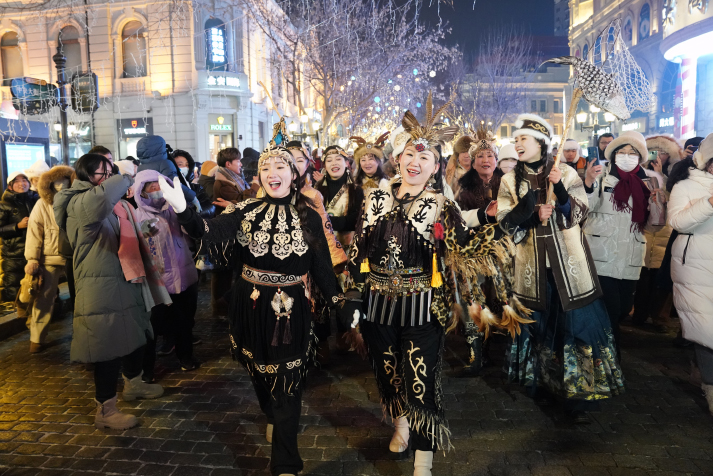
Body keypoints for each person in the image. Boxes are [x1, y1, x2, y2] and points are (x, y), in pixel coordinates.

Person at [344, 95, 527, 476]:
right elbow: (359, 248)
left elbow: (466, 245)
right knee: (388, 368)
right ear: (398, 159)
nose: (415, 162)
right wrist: (352, 297)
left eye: (424, 158)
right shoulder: (375, 198)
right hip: (378, 303)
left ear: (436, 166)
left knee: (420, 376)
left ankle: (424, 457)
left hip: (423, 304)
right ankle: (400, 424)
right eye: (410, 155)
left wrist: (508, 222)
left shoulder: (441, 206)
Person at [159, 142, 342, 476]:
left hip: (290, 308)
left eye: (281, 168)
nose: (273, 174)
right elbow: (209, 231)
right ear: (259, 175)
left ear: (294, 174)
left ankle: (285, 464)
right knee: (258, 370)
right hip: (250, 304)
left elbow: (322, 268)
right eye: (267, 169)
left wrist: (339, 303)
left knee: (287, 381)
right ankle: (271, 414)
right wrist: (184, 210)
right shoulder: (244, 211)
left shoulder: (310, 217)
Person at [500, 114, 623, 424]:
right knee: (540, 326)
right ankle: (543, 383)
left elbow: (580, 211)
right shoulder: (508, 180)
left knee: (574, 326)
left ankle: (578, 396)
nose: (518, 143)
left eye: (523, 139)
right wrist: (530, 213)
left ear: (541, 143)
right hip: (532, 269)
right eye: (516, 139)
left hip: (568, 268)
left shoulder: (565, 171)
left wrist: (561, 192)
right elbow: (504, 220)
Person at [54, 153, 168, 429]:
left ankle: (134, 383)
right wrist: (126, 175)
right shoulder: (79, 202)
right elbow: (101, 202)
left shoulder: (113, 203)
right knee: (107, 344)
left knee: (136, 332)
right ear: (84, 176)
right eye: (100, 173)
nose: (106, 177)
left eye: (109, 172)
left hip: (127, 276)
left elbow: (118, 228)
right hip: (100, 282)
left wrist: (145, 228)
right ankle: (105, 410)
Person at [583, 131, 661, 353]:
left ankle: (604, 354)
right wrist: (588, 182)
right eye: (622, 152)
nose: (627, 156)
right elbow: (585, 209)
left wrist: (657, 205)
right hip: (601, 253)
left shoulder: (650, 181)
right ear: (613, 155)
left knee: (624, 309)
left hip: (631, 254)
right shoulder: (601, 176)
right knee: (610, 309)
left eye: (632, 153)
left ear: (640, 157)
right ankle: (608, 359)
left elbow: (655, 226)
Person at [131, 170, 200, 379]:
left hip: (183, 276)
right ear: (140, 190)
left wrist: (184, 209)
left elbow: (195, 231)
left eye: (159, 184)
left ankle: (185, 357)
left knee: (184, 323)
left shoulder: (175, 209)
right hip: (155, 282)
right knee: (151, 328)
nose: (156, 189)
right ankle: (147, 369)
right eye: (150, 186)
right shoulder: (135, 214)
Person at [286, 140, 348, 365]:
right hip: (283, 268)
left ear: (308, 165)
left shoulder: (312, 195)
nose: (293, 165)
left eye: (299, 160)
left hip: (311, 264)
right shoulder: (267, 193)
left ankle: (319, 353)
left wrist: (336, 261)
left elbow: (325, 231)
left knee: (316, 310)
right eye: (288, 160)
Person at [667, 132, 713, 414]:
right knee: (706, 329)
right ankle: (710, 386)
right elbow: (678, 222)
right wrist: (708, 204)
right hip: (694, 267)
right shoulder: (685, 186)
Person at [632, 135, 684, 331]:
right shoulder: (638, 175)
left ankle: (660, 318)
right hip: (644, 229)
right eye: (654, 152)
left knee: (661, 278)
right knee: (642, 277)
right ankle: (639, 313)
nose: (659, 156)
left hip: (665, 231)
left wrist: (662, 178)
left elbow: (674, 200)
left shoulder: (676, 177)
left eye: (663, 153)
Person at [24, 166, 73, 353]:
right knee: (43, 298)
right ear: (50, 185)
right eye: (57, 183)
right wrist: (32, 259)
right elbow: (34, 231)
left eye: (65, 182)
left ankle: (84, 338)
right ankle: (36, 338)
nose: (61, 186)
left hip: (73, 256)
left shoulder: (77, 200)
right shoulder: (42, 204)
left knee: (81, 298)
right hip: (49, 257)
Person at [316, 145, 364, 249]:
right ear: (325, 166)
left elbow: (356, 220)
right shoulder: (317, 189)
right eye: (329, 160)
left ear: (346, 163)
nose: (334, 163)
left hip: (348, 248)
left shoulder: (356, 190)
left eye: (338, 159)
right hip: (322, 247)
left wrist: (328, 222)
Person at [0, 172, 37, 306]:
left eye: (24, 180)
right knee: (14, 293)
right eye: (17, 181)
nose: (22, 184)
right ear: (10, 186)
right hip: (13, 256)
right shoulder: (4, 204)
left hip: (34, 253)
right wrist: (17, 226)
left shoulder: (35, 199)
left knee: (35, 289)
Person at [136, 135, 197, 206]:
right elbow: (174, 183)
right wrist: (193, 197)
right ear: (160, 148)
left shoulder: (140, 168)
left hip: (148, 205)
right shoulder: (165, 164)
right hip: (168, 205)